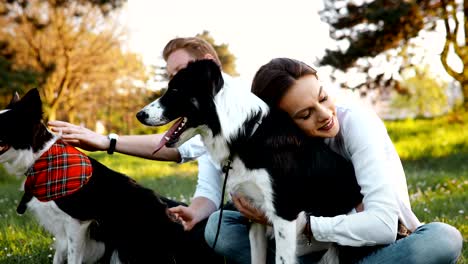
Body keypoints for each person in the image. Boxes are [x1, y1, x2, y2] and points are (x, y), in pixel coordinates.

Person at [204, 58, 463, 263]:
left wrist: (297, 223)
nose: (326, 114)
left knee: (443, 238)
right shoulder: (280, 149)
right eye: (306, 113)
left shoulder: (357, 123)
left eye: (323, 97)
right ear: (283, 126)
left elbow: (383, 226)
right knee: (220, 225)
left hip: (377, 249)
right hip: (307, 250)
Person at [48, 37, 234, 263]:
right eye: (170, 76)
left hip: (259, 218)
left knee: (218, 234)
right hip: (223, 218)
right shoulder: (202, 123)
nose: (175, 82)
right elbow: (209, 189)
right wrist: (193, 212)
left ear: (208, 64)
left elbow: (182, 149)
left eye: (180, 71)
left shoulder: (239, 105)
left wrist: (108, 142)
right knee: (144, 205)